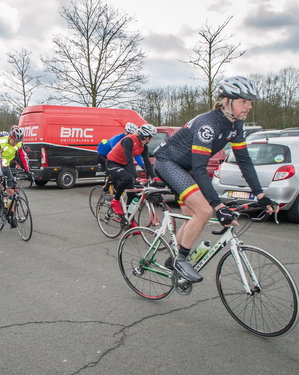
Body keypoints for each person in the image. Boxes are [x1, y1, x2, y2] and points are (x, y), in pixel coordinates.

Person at [154, 76, 277, 283]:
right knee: (205, 210)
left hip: (187, 167)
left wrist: (261, 195)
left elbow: (245, 162)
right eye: (243, 101)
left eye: (250, 102)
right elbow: (200, 168)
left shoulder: (236, 125)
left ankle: (174, 257)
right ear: (227, 102)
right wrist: (218, 206)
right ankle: (181, 260)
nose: (249, 106)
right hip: (168, 163)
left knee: (193, 213)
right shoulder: (208, 124)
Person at [106, 124, 157, 225]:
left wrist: (153, 176)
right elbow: (129, 160)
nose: (150, 140)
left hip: (123, 164)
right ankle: (115, 200)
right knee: (128, 178)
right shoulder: (128, 140)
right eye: (150, 138)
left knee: (133, 196)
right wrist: (136, 177)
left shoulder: (144, 147)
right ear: (146, 136)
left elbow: (146, 161)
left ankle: (130, 220)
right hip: (112, 163)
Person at [0, 125, 30, 228]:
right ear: (10, 137)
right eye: (14, 141)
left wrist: (28, 171)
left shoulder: (18, 144)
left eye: (18, 141)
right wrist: (0, 173)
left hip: (5, 164)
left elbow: (23, 157)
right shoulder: (0, 142)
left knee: (11, 191)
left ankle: (11, 215)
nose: (16, 143)